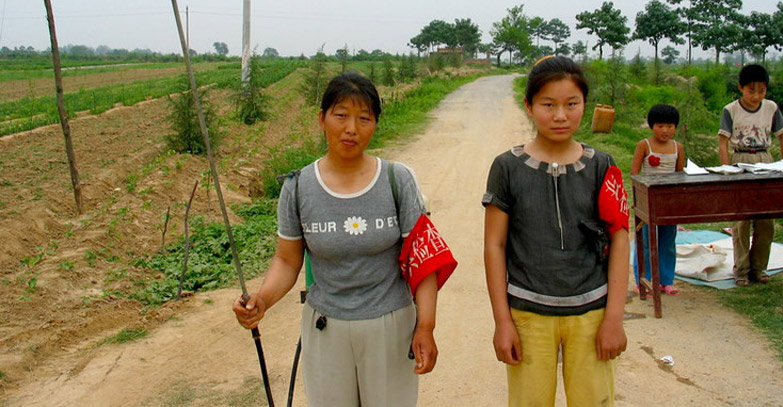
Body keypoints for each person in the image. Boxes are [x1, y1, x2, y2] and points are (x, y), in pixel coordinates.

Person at [233, 72, 456, 407]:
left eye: (364, 118)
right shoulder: (298, 187)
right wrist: (262, 300)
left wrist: (426, 325)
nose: (351, 128)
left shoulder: (397, 181)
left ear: (375, 124)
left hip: (390, 327)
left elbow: (422, 262)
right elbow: (287, 260)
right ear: (321, 119)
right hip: (325, 328)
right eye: (341, 115)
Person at [483, 56, 630, 407]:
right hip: (528, 313)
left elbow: (620, 238)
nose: (560, 115)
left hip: (591, 312)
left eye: (571, 104)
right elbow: (494, 245)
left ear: (585, 105)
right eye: (548, 105)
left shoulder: (602, 166)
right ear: (529, 106)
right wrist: (503, 322)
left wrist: (614, 318)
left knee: (595, 401)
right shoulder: (507, 168)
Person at [718, 64, 783, 287]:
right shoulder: (730, 110)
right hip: (740, 160)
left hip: (766, 161)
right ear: (741, 88)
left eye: (762, 91)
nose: (756, 96)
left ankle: (759, 267)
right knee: (741, 219)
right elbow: (723, 142)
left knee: (766, 218)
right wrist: (726, 170)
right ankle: (741, 269)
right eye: (751, 91)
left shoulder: (771, 108)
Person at [631, 104, 686, 296]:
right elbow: (635, 174)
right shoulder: (644, 145)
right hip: (648, 200)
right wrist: (639, 200)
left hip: (669, 202)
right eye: (660, 126)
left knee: (668, 241)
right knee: (646, 241)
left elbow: (680, 175)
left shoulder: (678, 148)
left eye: (670, 126)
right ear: (651, 126)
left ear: (675, 127)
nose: (665, 130)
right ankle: (643, 280)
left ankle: (666, 280)